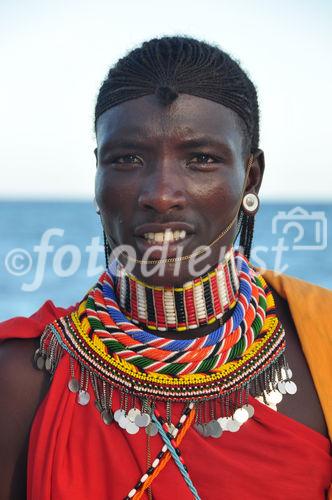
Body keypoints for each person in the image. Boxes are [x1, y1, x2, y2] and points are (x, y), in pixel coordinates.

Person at [0, 36, 331, 500]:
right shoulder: (21, 374)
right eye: (127, 159)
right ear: (98, 176)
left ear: (251, 177)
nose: (160, 194)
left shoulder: (323, 344)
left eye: (201, 159)